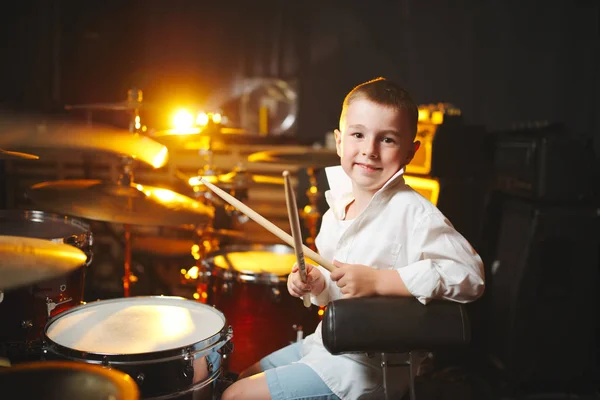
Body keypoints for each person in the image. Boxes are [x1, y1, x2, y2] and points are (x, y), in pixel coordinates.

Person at [221, 77, 485, 400]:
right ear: (339, 141)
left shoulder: (416, 215)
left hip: (366, 370)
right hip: (325, 345)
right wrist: (313, 284)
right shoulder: (335, 209)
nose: (369, 151)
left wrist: (380, 281)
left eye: (387, 139)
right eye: (358, 135)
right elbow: (333, 290)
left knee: (235, 397)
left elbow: (471, 276)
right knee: (241, 377)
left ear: (410, 152)